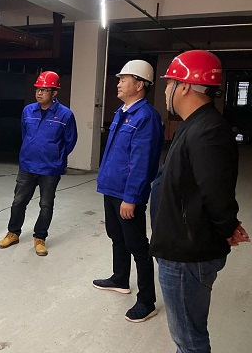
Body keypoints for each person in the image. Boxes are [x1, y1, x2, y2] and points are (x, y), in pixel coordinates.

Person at [150, 50, 250, 352]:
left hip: (187, 254)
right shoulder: (194, 125)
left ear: (184, 86)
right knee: (187, 336)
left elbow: (216, 193)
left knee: (190, 341)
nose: (165, 90)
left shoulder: (208, 131)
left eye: (169, 83)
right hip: (181, 245)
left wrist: (227, 226)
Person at [93, 60, 164, 323]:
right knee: (116, 236)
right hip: (111, 187)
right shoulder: (123, 112)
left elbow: (142, 162)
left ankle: (147, 301)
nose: (119, 83)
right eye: (119, 79)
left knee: (138, 246)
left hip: (126, 194)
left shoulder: (146, 117)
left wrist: (131, 198)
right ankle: (120, 279)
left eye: (124, 79)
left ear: (140, 84)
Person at [0, 71, 77, 256]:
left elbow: (70, 141)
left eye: (45, 90)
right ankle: (13, 233)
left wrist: (56, 156)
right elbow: (25, 135)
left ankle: (40, 237)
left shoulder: (65, 115)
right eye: (38, 89)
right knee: (18, 201)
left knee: (46, 205)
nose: (39, 93)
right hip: (28, 165)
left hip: (50, 168)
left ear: (54, 92)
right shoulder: (28, 111)